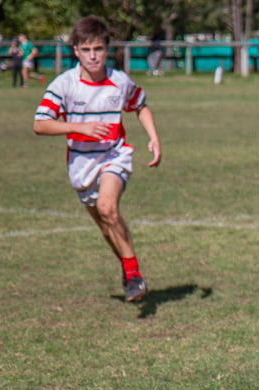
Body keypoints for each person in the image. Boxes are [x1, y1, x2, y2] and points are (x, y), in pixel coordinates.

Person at [33, 15, 162, 303]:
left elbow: (140, 105)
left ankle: (135, 276)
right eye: (86, 50)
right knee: (106, 225)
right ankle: (128, 272)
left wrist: (153, 137)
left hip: (114, 155)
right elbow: (40, 124)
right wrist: (79, 127)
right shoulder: (64, 85)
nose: (93, 56)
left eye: (99, 49)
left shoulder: (119, 81)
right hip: (81, 165)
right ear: (76, 51)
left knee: (108, 206)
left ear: (107, 50)